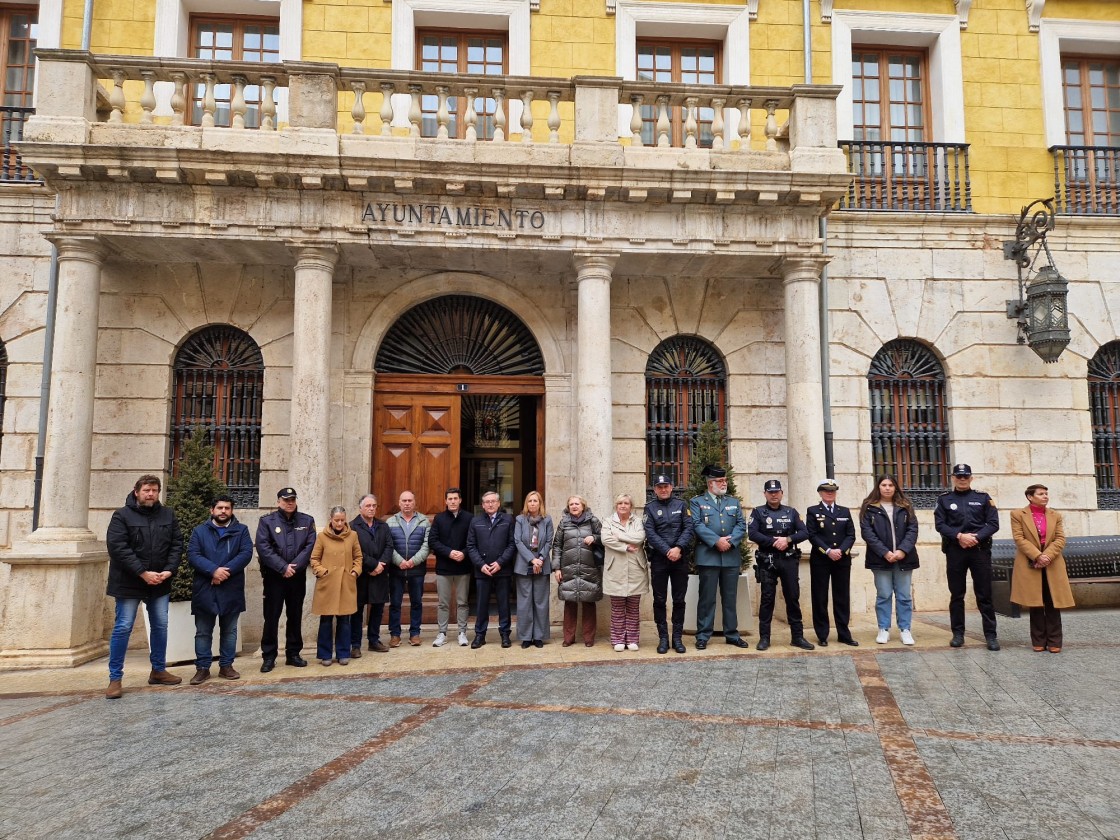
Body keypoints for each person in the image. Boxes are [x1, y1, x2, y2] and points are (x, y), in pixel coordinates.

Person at [104, 474, 185, 699]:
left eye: (154, 490)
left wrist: (169, 570)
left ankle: (158, 671)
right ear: (136, 491)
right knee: (123, 627)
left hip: (159, 581)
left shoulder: (168, 514)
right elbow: (118, 547)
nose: (151, 494)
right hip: (129, 582)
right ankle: (115, 678)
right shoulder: (121, 515)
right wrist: (142, 573)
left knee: (160, 625)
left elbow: (177, 544)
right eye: (147, 490)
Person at [187, 495, 254, 685]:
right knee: (203, 631)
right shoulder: (199, 531)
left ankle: (226, 666)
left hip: (230, 587)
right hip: (205, 587)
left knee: (230, 630)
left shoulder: (241, 531)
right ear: (212, 510)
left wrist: (225, 572)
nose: (223, 511)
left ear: (232, 511)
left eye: (227, 508)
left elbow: (246, 553)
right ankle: (202, 668)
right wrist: (213, 571)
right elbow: (193, 554)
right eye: (219, 508)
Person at [935, 464, 1001, 650]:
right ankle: (958, 634)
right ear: (953, 478)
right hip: (955, 551)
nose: (962, 479)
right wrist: (959, 536)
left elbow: (993, 523)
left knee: (984, 595)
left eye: (965, 477)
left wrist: (976, 538)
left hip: (979, 551)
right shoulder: (944, 500)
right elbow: (940, 524)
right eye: (958, 477)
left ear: (971, 478)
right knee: (957, 594)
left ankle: (991, 635)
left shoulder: (983, 498)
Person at [688, 465, 750, 650]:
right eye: (720, 481)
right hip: (708, 556)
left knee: (730, 598)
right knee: (707, 598)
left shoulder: (733, 502)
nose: (724, 483)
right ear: (710, 483)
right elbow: (697, 525)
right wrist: (716, 541)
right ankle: (703, 635)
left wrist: (731, 542)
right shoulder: (697, 502)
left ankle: (731, 634)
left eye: (725, 480)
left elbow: (741, 524)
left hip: (730, 556)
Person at [255, 487, 316, 672]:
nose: (289, 503)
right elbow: (263, 547)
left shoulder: (306, 521)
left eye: (292, 499)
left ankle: (293, 654)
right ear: (278, 502)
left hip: (296, 578)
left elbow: (310, 546)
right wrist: (282, 567)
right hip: (275, 577)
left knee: (295, 615)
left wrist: (293, 568)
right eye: (286, 499)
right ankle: (269, 656)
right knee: (271, 617)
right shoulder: (267, 521)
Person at [748, 478, 813, 651]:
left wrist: (788, 540)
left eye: (776, 492)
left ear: (782, 493)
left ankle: (797, 637)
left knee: (792, 597)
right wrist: (773, 542)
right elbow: (752, 533)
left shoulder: (791, 512)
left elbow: (805, 532)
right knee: (767, 598)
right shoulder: (757, 512)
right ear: (765, 494)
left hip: (788, 559)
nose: (774, 495)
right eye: (770, 492)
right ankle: (764, 638)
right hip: (767, 560)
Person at [1010, 484, 1074, 653]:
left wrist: (1047, 556)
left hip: (1053, 563)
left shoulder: (1055, 515)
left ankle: (1055, 642)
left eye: (1046, 493)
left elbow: (1060, 538)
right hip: (1030, 563)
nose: (1045, 496)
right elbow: (1019, 538)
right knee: (1035, 602)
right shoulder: (1018, 515)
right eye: (1041, 494)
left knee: (1053, 602)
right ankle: (1038, 641)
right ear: (1030, 497)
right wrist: (1038, 556)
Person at [859, 475, 920, 645]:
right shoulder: (869, 507)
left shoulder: (905, 505)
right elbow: (868, 533)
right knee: (884, 594)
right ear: (878, 487)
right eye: (884, 485)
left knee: (904, 596)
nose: (887, 488)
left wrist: (902, 550)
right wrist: (885, 552)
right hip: (880, 559)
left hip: (904, 558)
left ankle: (905, 629)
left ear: (895, 488)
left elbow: (912, 530)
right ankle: (883, 628)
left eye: (890, 485)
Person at [643, 474, 695, 654]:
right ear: (655, 489)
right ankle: (663, 638)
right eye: (659, 487)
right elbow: (650, 533)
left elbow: (689, 527)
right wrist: (667, 550)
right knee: (659, 600)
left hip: (680, 558)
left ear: (671, 487)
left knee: (679, 600)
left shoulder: (681, 505)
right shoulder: (649, 508)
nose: (663, 489)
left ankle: (677, 638)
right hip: (659, 559)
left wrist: (678, 548)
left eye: (666, 486)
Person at [806, 479, 858, 647]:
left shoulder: (844, 511)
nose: (830, 493)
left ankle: (844, 633)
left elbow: (851, 535)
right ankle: (822, 634)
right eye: (826, 490)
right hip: (821, 559)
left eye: (833, 491)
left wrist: (841, 551)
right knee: (820, 597)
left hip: (842, 560)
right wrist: (828, 551)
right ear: (820, 492)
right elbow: (812, 535)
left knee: (842, 597)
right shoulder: (813, 511)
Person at [309, 506, 363, 665]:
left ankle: (343, 652)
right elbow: (314, 559)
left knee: (344, 620)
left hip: (346, 583)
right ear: (330, 519)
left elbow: (358, 557)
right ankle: (325, 654)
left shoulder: (353, 536)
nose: (339, 523)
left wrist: (354, 572)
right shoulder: (322, 537)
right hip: (327, 584)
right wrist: (322, 572)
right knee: (326, 620)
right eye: (336, 520)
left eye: (342, 520)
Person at [467, 490, 517, 648]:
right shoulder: (475, 521)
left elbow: (512, 544)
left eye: (493, 501)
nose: (490, 504)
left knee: (504, 604)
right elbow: (470, 546)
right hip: (482, 571)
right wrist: (481, 565)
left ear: (498, 503)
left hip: (502, 569)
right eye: (487, 502)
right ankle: (480, 635)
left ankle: (505, 634)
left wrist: (500, 562)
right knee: (481, 604)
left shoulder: (508, 520)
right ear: (482, 505)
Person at [552, 496, 604, 647]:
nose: (574, 506)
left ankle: (589, 638)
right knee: (570, 603)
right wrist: (556, 568)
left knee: (588, 603)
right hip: (568, 569)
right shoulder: (564, 523)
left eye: (577, 504)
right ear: (568, 507)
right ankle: (568, 638)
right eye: (571, 504)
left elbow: (605, 538)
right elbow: (557, 546)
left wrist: (594, 537)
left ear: (583, 506)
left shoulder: (593, 521)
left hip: (590, 567)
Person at [602, 493, 649, 651]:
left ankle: (633, 639)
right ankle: (618, 640)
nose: (623, 505)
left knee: (633, 608)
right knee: (617, 608)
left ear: (631, 506)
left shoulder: (638, 521)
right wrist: (625, 547)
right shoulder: (608, 521)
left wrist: (619, 535)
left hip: (635, 568)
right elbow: (606, 540)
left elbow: (639, 538)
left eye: (626, 503)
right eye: (620, 503)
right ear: (616, 506)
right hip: (615, 569)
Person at [429, 487, 473, 648]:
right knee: (443, 603)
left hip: (463, 567)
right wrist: (449, 552)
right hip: (444, 567)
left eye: (456, 498)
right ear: (445, 501)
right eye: (450, 499)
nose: (453, 501)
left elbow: (473, 541)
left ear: (460, 500)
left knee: (462, 602)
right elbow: (433, 541)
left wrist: (464, 553)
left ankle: (462, 632)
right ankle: (442, 633)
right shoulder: (439, 518)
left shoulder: (469, 518)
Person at [386, 490, 430, 647]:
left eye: (409, 500)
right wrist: (399, 561)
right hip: (396, 570)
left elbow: (427, 545)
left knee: (416, 602)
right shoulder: (390, 522)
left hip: (416, 570)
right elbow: (388, 545)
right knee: (395, 603)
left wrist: (412, 561)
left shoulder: (424, 521)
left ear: (414, 502)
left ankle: (415, 633)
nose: (407, 503)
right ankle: (395, 635)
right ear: (399, 503)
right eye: (404, 500)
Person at [350, 494, 393, 654]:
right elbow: (355, 551)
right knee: (357, 610)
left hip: (380, 574)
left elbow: (389, 546)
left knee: (378, 608)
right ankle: (355, 644)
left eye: (374, 505)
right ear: (360, 508)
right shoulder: (352, 526)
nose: (371, 508)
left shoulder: (383, 525)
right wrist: (373, 565)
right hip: (362, 574)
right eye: (368, 506)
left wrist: (381, 564)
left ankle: (374, 640)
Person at [513, 491, 554, 648]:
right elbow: (517, 541)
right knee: (524, 603)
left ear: (540, 503)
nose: (532, 503)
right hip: (524, 565)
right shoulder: (520, 519)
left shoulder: (547, 520)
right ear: (526, 503)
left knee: (540, 602)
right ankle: (525, 637)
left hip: (542, 566)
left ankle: (539, 636)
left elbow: (549, 541)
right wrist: (532, 559)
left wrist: (540, 560)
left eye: (535, 501)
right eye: (529, 500)